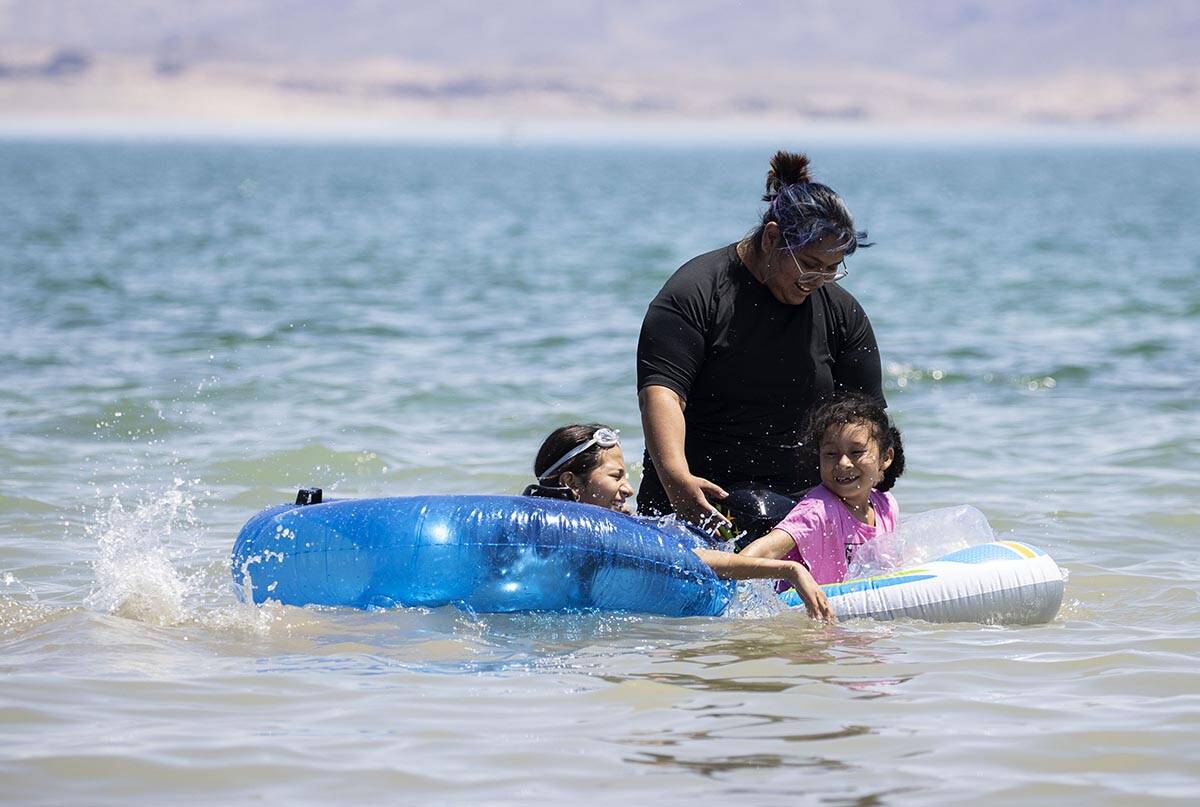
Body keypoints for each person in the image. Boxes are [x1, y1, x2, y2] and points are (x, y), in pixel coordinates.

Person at [637, 150, 884, 524]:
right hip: (698, 497)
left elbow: (867, 421)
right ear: (771, 238)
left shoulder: (841, 312)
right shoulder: (696, 292)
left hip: (802, 511)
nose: (817, 280)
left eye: (832, 270)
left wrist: (865, 507)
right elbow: (662, 394)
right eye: (810, 265)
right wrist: (676, 480)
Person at [523, 424, 833, 618]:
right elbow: (690, 560)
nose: (629, 489)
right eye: (616, 476)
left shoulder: (543, 538)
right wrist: (788, 569)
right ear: (572, 483)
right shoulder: (597, 535)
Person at [739, 394, 905, 587]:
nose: (843, 463)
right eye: (831, 454)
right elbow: (752, 556)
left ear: (886, 457)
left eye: (856, 452)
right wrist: (791, 572)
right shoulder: (817, 512)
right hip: (798, 608)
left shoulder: (886, 505)